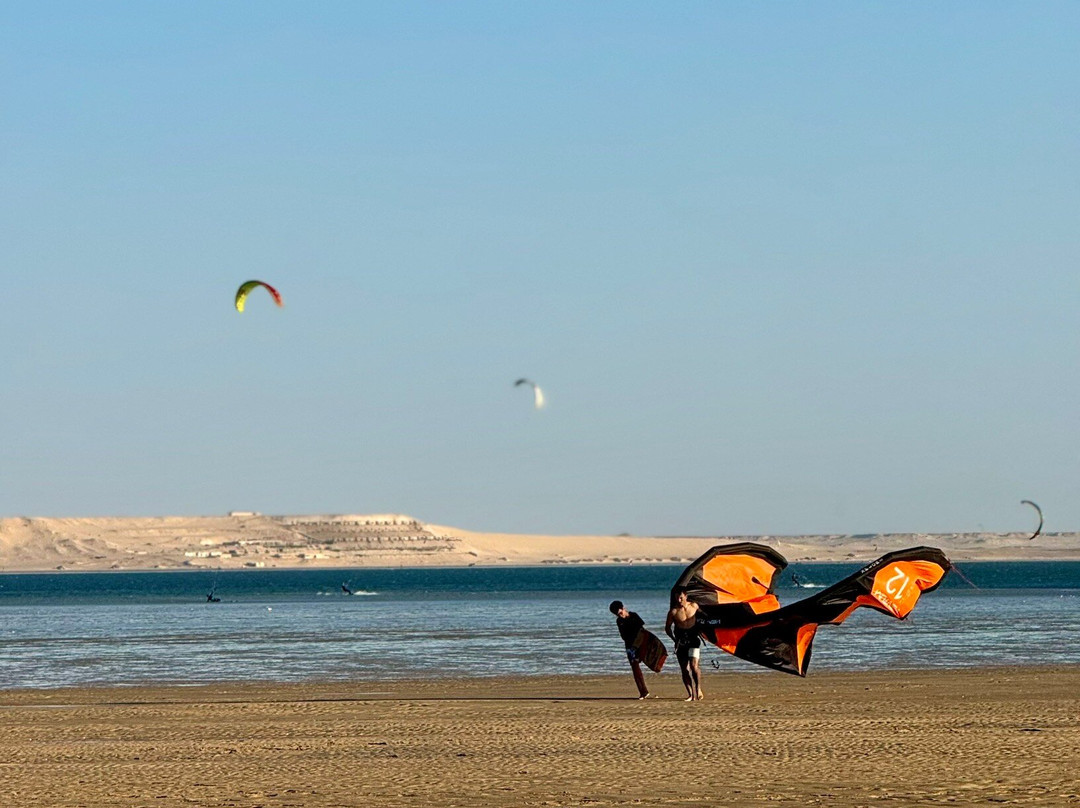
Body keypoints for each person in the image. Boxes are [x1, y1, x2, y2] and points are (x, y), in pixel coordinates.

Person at [666, 587, 703, 701]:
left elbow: (705, 617)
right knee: (684, 669)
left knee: (694, 666)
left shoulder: (694, 606)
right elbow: (667, 628)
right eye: (677, 597)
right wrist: (674, 639)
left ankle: (698, 689)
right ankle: (690, 694)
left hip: (694, 640)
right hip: (681, 642)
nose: (679, 599)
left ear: (686, 596)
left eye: (681, 597)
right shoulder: (673, 612)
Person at [609, 600, 651, 699]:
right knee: (635, 668)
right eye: (617, 614)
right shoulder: (619, 621)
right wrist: (631, 646)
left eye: (620, 613)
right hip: (630, 646)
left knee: (651, 660)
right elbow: (623, 635)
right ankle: (643, 691)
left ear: (624, 608)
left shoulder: (634, 616)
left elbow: (641, 631)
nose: (620, 615)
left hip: (640, 643)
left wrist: (638, 644)